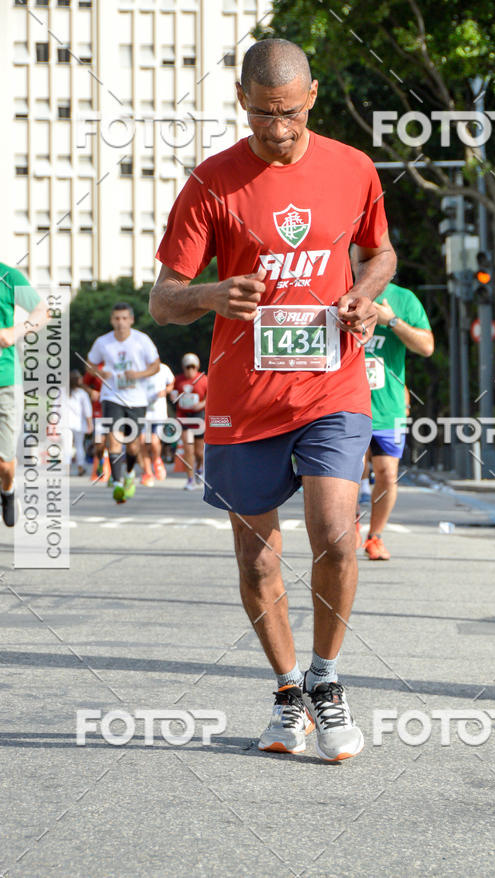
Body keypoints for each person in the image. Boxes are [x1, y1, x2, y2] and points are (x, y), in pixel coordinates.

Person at [150, 38, 396, 761]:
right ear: (241, 100)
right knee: (258, 562)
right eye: (263, 115)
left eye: (289, 113)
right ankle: (289, 694)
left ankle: (327, 678)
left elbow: (380, 253)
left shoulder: (353, 169)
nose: (278, 130)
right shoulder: (211, 183)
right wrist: (211, 294)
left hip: (332, 386)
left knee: (336, 532)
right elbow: (162, 300)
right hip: (242, 401)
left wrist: (363, 293)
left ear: (312, 95)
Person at [362, 284, 434, 560]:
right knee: (352, 471)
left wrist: (391, 321)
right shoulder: (339, 287)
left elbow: (427, 347)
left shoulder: (404, 298)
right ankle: (349, 524)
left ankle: (374, 537)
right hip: (343, 404)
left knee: (387, 474)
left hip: (387, 408)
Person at [86, 303, 160, 504]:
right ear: (112, 320)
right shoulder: (103, 342)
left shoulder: (141, 340)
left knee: (134, 445)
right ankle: (118, 483)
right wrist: (99, 372)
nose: (120, 323)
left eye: (124, 318)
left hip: (137, 398)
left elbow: (156, 365)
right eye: (116, 318)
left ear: (131, 320)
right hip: (111, 396)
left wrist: (139, 374)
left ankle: (128, 473)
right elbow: (89, 363)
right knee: (114, 437)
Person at [0, 262, 48, 527]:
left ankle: (7, 490)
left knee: (5, 464)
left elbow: (42, 311)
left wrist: (14, 332)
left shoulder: (8, 276)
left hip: (5, 382)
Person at [170, 353, 207, 490]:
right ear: (183, 367)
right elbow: (172, 395)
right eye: (187, 367)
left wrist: (202, 404)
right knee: (188, 449)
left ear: (196, 367)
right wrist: (174, 397)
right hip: (184, 416)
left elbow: (210, 397)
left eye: (192, 367)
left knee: (199, 451)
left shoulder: (203, 379)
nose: (190, 370)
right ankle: (190, 479)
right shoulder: (178, 380)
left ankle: (200, 468)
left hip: (199, 416)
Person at [141, 361, 175, 485]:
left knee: (154, 441)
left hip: (158, 413)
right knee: (142, 442)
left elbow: (172, 382)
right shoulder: (139, 368)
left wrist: (165, 391)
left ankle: (156, 460)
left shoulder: (163, 369)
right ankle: (148, 473)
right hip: (143, 412)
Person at [82, 369, 109, 482]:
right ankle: (98, 469)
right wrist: (91, 391)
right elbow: (83, 384)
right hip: (99, 409)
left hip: (118, 406)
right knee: (99, 441)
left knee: (114, 441)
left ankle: (110, 471)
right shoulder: (96, 366)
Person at [67, 370, 93, 475]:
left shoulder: (63, 392)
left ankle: (67, 468)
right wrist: (90, 424)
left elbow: (56, 409)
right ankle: (80, 467)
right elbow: (87, 410)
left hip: (65, 423)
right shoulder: (82, 394)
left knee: (67, 446)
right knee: (79, 445)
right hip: (78, 423)